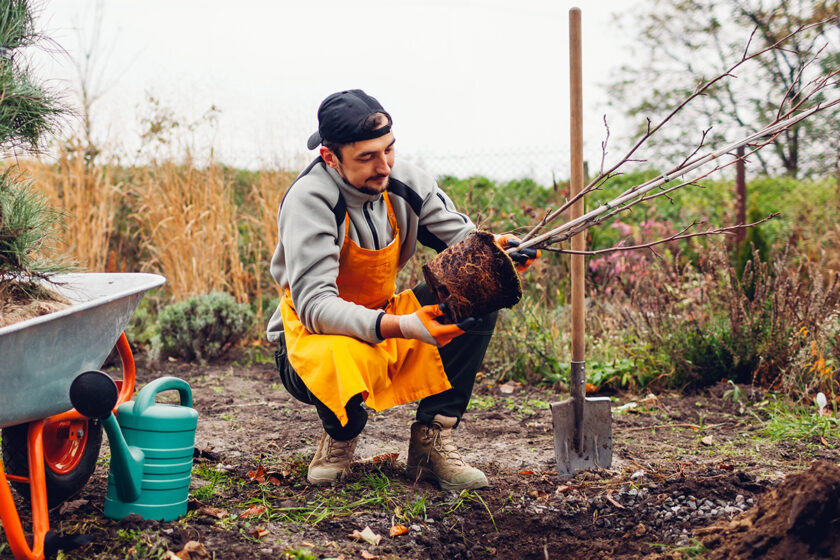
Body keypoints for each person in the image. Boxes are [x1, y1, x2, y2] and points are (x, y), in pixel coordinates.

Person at [266, 89, 538, 490]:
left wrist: (496, 249)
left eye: (389, 150)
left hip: (387, 316)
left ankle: (432, 439)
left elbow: (463, 242)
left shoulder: (404, 181)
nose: (384, 166)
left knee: (479, 291)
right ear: (330, 158)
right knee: (336, 351)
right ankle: (342, 434)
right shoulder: (311, 200)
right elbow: (316, 307)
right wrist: (406, 326)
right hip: (312, 340)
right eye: (366, 157)